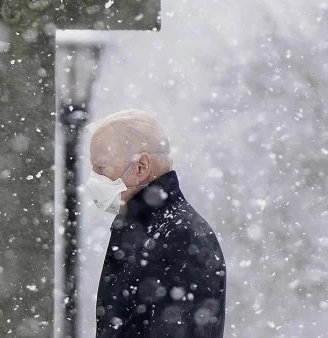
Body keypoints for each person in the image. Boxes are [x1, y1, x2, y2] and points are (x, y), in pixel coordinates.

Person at [85, 109, 226, 337]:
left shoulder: (181, 237)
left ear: (141, 167)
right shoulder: (144, 230)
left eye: (101, 168)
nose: (94, 180)